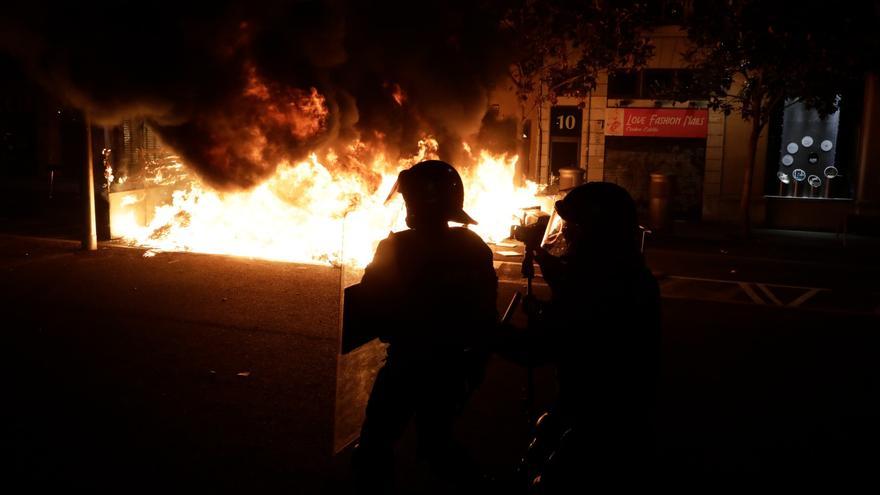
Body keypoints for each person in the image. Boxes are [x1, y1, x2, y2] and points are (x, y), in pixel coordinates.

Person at [350, 160, 498, 494]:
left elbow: (371, 298)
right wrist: (477, 362)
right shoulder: (474, 248)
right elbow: (485, 312)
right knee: (436, 444)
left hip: (407, 364)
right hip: (453, 365)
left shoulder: (397, 247)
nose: (406, 207)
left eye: (408, 200)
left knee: (375, 444)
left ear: (419, 203)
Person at [504, 182, 661, 492]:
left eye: (573, 227)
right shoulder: (621, 271)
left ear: (597, 232)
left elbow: (538, 349)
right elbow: (569, 283)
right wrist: (538, 252)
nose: (566, 234)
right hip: (605, 406)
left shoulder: (601, 283)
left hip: (602, 418)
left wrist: (487, 332)